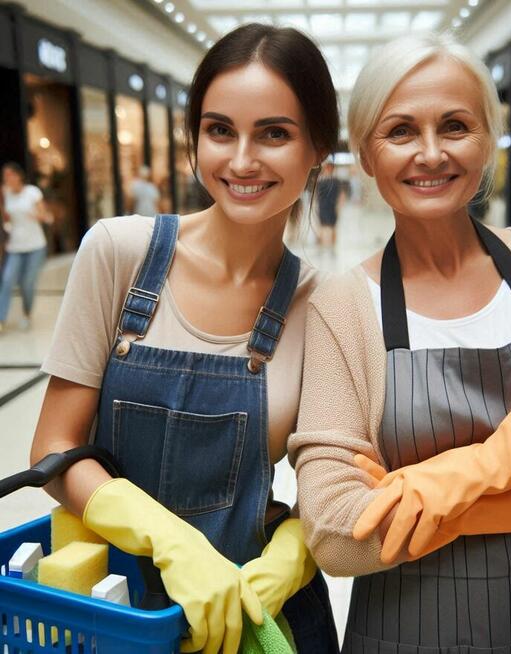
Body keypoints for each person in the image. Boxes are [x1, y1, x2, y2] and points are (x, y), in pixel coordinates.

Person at [289, 33, 511, 653]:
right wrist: (492, 463)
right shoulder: (343, 305)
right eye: (399, 131)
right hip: (404, 630)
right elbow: (335, 532)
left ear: (486, 141)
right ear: (366, 154)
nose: (430, 153)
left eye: (455, 126)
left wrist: (413, 492)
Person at [30, 24, 340, 654]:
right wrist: (169, 541)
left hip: (254, 615)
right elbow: (55, 449)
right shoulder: (120, 253)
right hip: (114, 610)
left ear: (318, 151)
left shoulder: (324, 306)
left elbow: (333, 488)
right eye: (220, 130)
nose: (242, 160)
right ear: (194, 140)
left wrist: (286, 562)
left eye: (274, 133)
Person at [0, 162, 50, 333]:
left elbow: (45, 216)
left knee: (27, 283)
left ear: (18, 175)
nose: (6, 178)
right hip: (14, 246)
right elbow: (5, 216)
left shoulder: (32, 192)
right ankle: (1, 321)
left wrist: (35, 215)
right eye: (4, 175)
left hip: (35, 246)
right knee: (7, 281)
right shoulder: (5, 192)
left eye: (9, 175)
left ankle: (27, 314)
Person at [316, 160, 344, 251]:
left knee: (330, 227)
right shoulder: (322, 181)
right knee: (324, 227)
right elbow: (317, 196)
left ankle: (331, 247)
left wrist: (339, 206)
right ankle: (324, 247)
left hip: (331, 206)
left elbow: (340, 195)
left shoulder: (335, 181)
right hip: (324, 206)